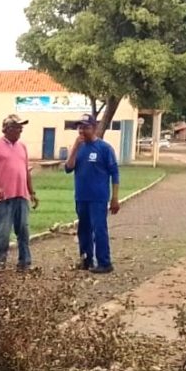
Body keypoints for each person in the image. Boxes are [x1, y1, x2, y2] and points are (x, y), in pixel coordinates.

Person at [64, 113, 120, 274]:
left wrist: (115, 198)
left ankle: (104, 262)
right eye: (80, 128)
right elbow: (68, 168)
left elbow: (115, 174)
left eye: (86, 127)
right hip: (81, 197)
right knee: (83, 230)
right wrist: (75, 148)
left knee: (99, 229)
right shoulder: (78, 148)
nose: (82, 131)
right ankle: (86, 260)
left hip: (98, 198)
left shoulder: (104, 148)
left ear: (94, 128)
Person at [0, 113, 39, 272]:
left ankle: (24, 262)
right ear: (7, 129)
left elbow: (26, 171)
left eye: (21, 127)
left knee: (23, 231)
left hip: (22, 196)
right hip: (4, 198)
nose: (20, 130)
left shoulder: (22, 147)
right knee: (2, 232)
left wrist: (32, 192)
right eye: (17, 127)